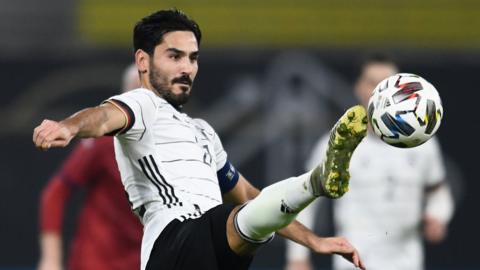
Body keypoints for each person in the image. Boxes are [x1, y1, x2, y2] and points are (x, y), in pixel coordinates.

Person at [33, 9, 367, 270]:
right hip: (172, 243)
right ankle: (318, 181)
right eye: (174, 56)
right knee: (238, 221)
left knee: (249, 219)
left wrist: (314, 241)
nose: (187, 68)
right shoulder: (142, 104)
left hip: (216, 252)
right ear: (143, 62)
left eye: (193, 58)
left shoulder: (203, 132)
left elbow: (251, 195)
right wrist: (69, 127)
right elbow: (103, 115)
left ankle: (315, 182)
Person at [285, 54, 454, 270]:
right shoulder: (338, 143)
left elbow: (438, 193)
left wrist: (438, 215)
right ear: (359, 88)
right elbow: (303, 200)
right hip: (354, 262)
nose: (382, 93)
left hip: (406, 262)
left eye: (390, 85)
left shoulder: (423, 144)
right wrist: (297, 257)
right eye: (373, 83)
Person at [37, 64, 142, 270]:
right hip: (96, 261)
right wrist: (51, 259)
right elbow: (55, 193)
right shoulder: (105, 143)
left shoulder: (175, 146)